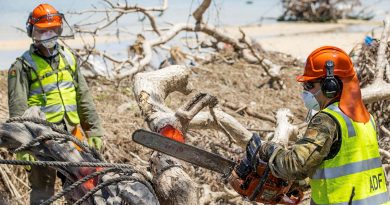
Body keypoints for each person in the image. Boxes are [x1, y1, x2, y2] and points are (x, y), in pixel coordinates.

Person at [242, 46, 389, 204]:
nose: (305, 92)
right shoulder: (366, 118)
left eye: (309, 85)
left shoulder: (327, 120)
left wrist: (270, 150)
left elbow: (295, 165)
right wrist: (301, 183)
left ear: (330, 86)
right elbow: (345, 168)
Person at [7, 4, 104, 204]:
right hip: (41, 138)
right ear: (33, 32)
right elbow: (17, 108)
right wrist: (23, 147)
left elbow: (83, 97)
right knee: (43, 192)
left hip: (72, 133)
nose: (49, 35)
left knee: (83, 186)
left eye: (53, 29)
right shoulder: (22, 66)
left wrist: (94, 131)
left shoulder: (69, 58)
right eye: (43, 30)